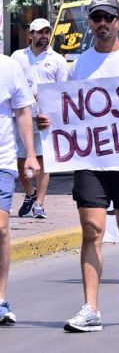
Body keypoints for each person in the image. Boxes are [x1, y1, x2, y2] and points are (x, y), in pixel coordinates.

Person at [37, 0, 119, 332]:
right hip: (91, 160)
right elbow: (66, 108)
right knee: (92, 229)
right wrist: (48, 121)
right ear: (90, 23)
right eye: (97, 18)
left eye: (109, 17)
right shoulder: (79, 64)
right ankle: (90, 308)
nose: (103, 24)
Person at [12, 17, 68, 220]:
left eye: (47, 32)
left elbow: (63, 91)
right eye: (40, 32)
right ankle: (29, 193)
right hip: (20, 116)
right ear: (31, 35)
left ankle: (40, 203)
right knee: (20, 160)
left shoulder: (58, 60)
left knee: (44, 161)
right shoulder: (18, 57)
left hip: (45, 120)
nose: (44, 36)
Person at [0, 50, 39, 326]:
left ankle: (0, 300)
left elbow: (23, 111)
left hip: (2, 160)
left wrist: (31, 153)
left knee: (0, 228)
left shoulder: (8, 67)